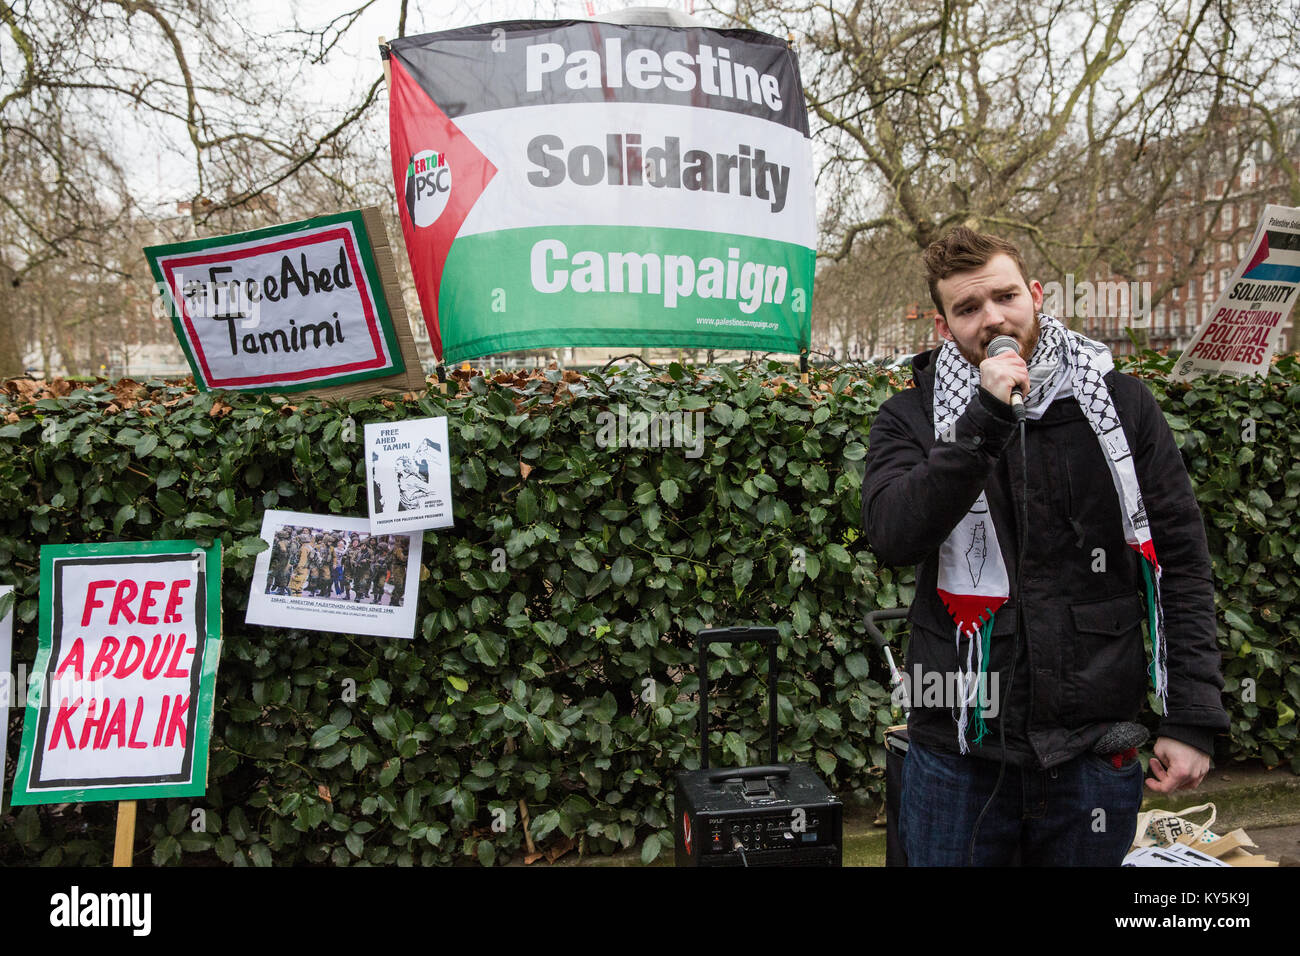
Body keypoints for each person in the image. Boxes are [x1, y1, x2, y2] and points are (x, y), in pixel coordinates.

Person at [861, 227, 1229, 866]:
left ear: (1035, 295)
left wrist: (1191, 718)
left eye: (1005, 297)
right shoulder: (912, 416)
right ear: (945, 328)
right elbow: (894, 534)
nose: (993, 318)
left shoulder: (1119, 405)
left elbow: (1179, 563)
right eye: (969, 309)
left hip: (1091, 752)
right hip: (957, 753)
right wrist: (985, 419)